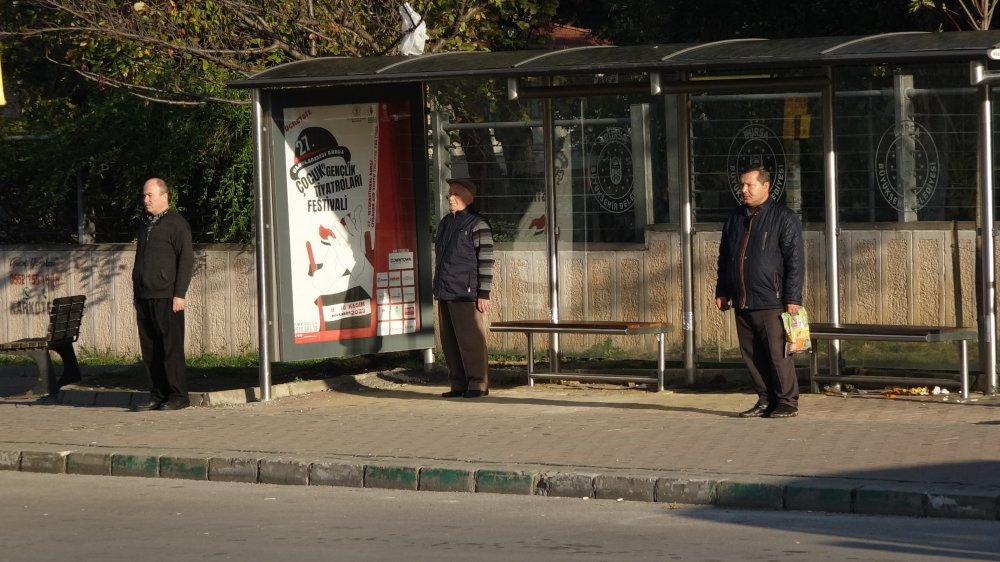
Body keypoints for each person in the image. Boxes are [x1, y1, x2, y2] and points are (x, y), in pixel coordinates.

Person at [715, 166, 804, 418]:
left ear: (766, 186)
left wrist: (792, 298)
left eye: (749, 185)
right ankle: (765, 399)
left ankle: (787, 401)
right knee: (752, 355)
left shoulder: (784, 217)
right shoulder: (735, 218)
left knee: (778, 354)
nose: (743, 190)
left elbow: (794, 261)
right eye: (741, 185)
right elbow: (725, 257)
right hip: (742, 298)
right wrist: (722, 291)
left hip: (772, 299)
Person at [131, 178, 194, 411]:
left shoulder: (176, 224)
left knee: (170, 347)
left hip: (168, 296)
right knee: (150, 348)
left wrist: (180, 293)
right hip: (144, 295)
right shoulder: (145, 224)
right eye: (144, 195)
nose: (145, 199)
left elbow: (186, 260)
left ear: (164, 195)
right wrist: (136, 291)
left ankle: (178, 395)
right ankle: (157, 393)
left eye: (149, 195)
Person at [433, 178, 494, 398]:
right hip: (445, 290)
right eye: (449, 193)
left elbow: (486, 260)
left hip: (466, 293)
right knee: (450, 342)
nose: (451, 198)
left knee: (470, 341)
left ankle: (478, 383)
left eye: (456, 194)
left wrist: (483, 293)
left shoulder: (478, 224)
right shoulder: (445, 223)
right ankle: (457, 383)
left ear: (469, 197)